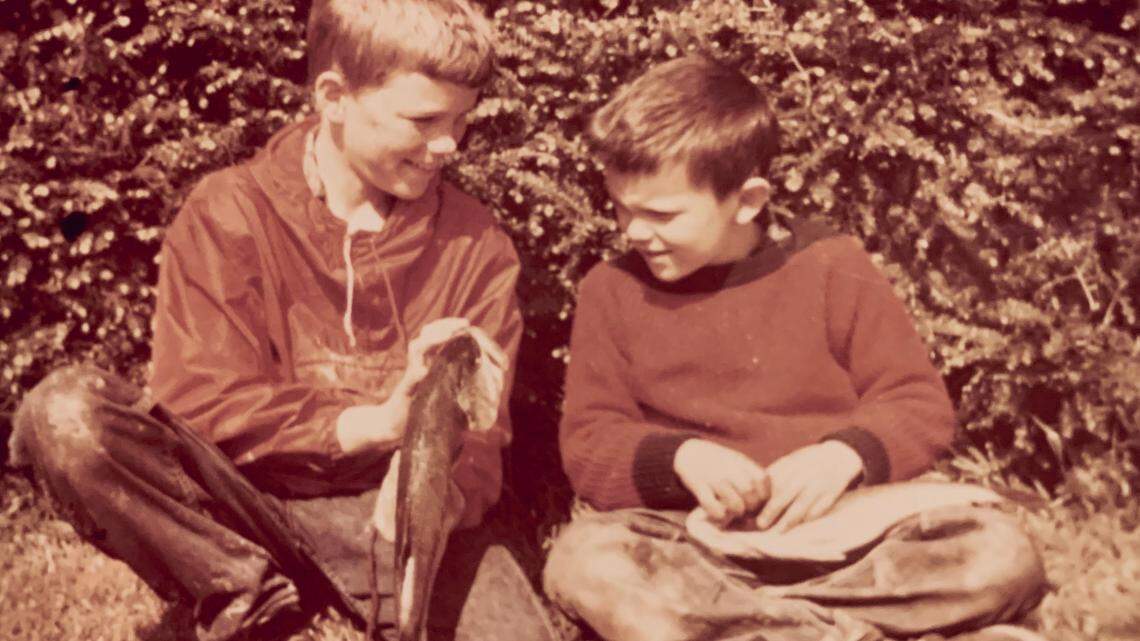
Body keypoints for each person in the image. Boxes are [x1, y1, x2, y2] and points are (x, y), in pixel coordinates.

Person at [9, 1, 557, 640]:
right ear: (333, 97)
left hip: (386, 510)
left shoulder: (476, 243)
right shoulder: (228, 213)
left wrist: (438, 495)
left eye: (462, 120)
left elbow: (483, 441)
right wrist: (371, 424)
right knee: (67, 415)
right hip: (243, 501)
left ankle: (356, 589)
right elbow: (199, 401)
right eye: (424, 119)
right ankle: (245, 589)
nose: (448, 145)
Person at [543, 55, 1048, 641]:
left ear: (748, 200)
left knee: (1002, 554)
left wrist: (845, 455)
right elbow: (588, 441)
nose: (633, 230)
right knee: (586, 562)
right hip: (697, 549)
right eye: (620, 208)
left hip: (853, 545)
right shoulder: (612, 289)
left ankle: (771, 631)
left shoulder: (832, 265)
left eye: (660, 214)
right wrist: (679, 459)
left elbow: (918, 402)